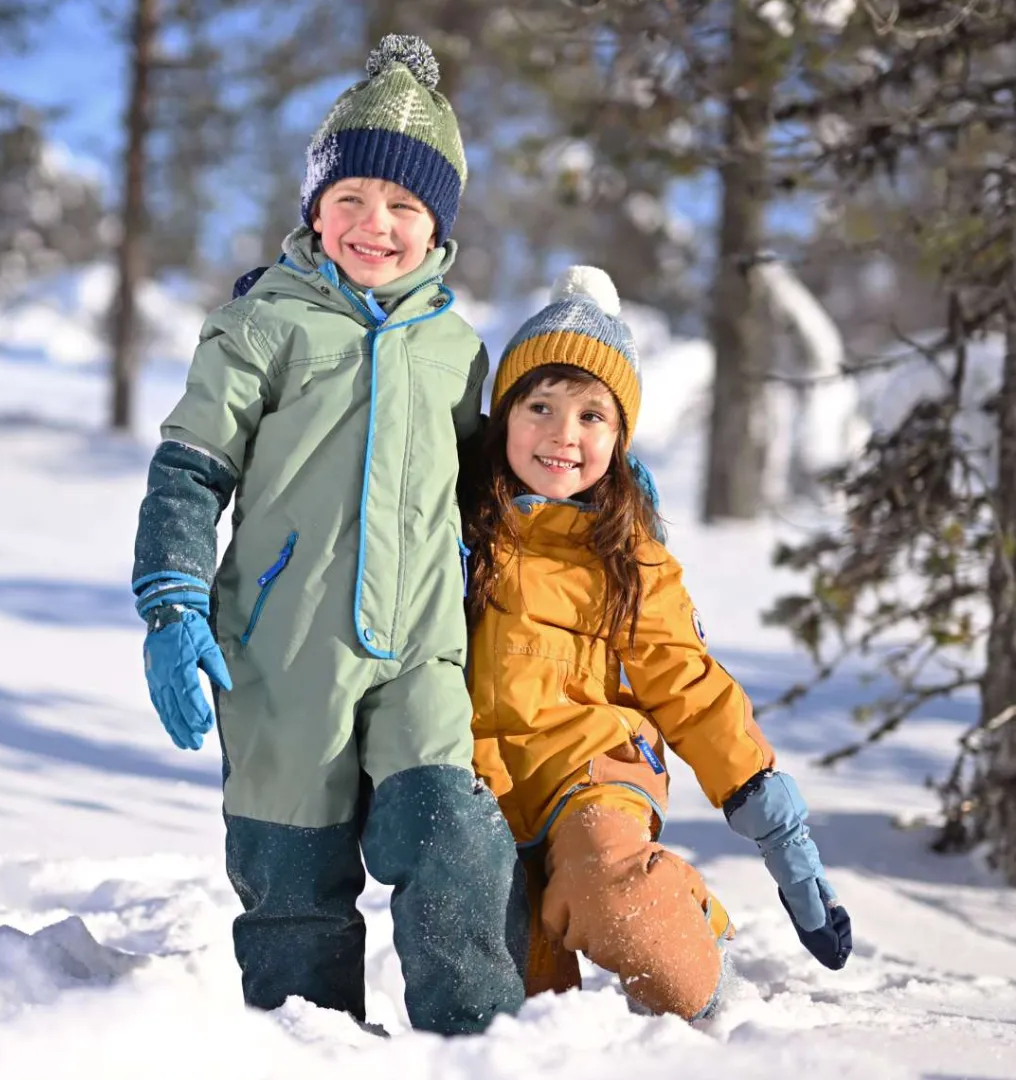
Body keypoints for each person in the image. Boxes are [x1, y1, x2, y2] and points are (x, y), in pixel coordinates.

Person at [131, 35, 526, 1036]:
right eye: (349, 198)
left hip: (423, 645)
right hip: (282, 647)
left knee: (452, 835)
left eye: (403, 207)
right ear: (315, 206)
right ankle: (309, 1047)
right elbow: (190, 466)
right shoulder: (265, 323)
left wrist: (588, 486)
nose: (373, 225)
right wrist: (173, 604)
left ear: (438, 224)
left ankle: (477, 1039)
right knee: (292, 876)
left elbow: (485, 484)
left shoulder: (456, 345)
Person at [460, 266, 853, 1022]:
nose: (562, 436)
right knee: (518, 1014)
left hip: (592, 773)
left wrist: (775, 820)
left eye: (591, 416)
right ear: (504, 415)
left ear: (620, 434)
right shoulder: (464, 528)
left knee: (627, 915)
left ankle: (693, 919)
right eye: (539, 406)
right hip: (483, 787)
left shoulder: (627, 553)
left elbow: (686, 680)